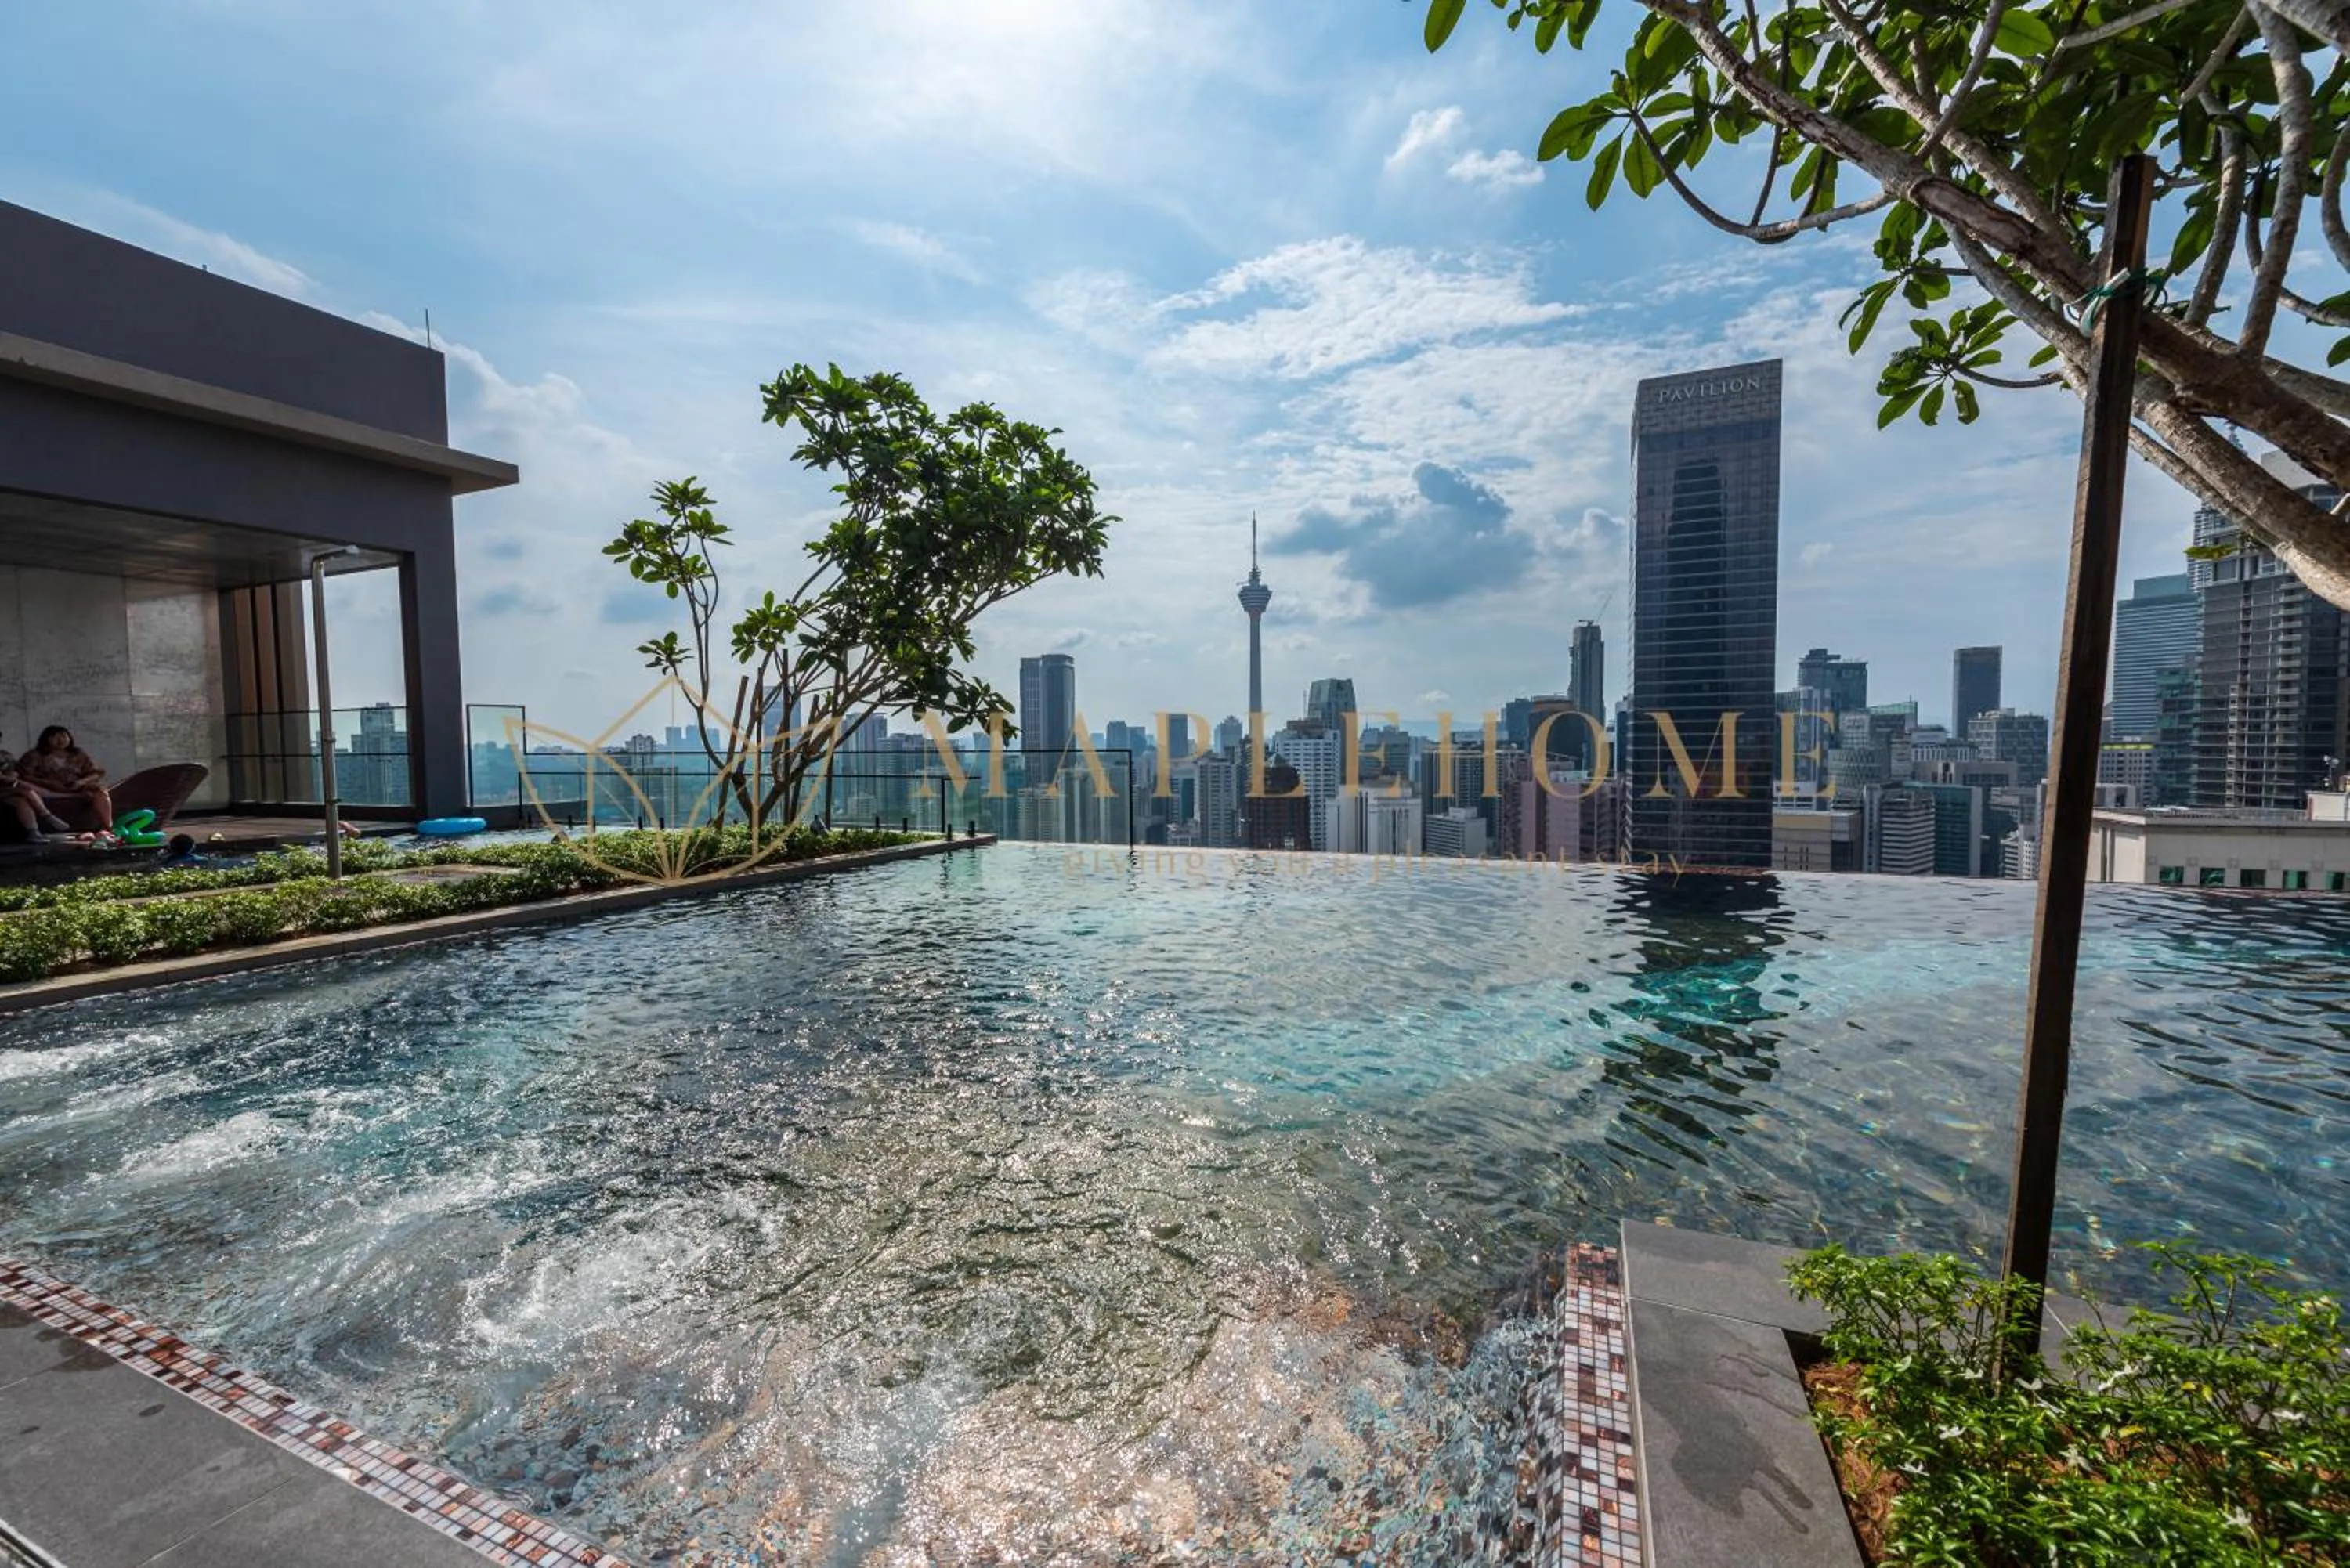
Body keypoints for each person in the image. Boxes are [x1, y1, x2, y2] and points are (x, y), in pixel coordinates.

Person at [20, 726, 111, 831]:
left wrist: (81, 782)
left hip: (75, 787)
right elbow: (24, 775)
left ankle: (107, 826)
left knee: (100, 791)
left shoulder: (78, 754)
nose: (60, 740)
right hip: (47, 789)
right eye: (54, 737)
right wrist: (48, 783)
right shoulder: (35, 755)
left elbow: (95, 773)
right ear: (46, 739)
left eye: (64, 736)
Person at [0, 731, 74, 841]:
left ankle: (33, 832)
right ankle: (48, 816)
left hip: (7, 789)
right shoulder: (34, 755)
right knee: (26, 790)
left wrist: (12, 777)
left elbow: (15, 771)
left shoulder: (4, 755)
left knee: (22, 801)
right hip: (5, 788)